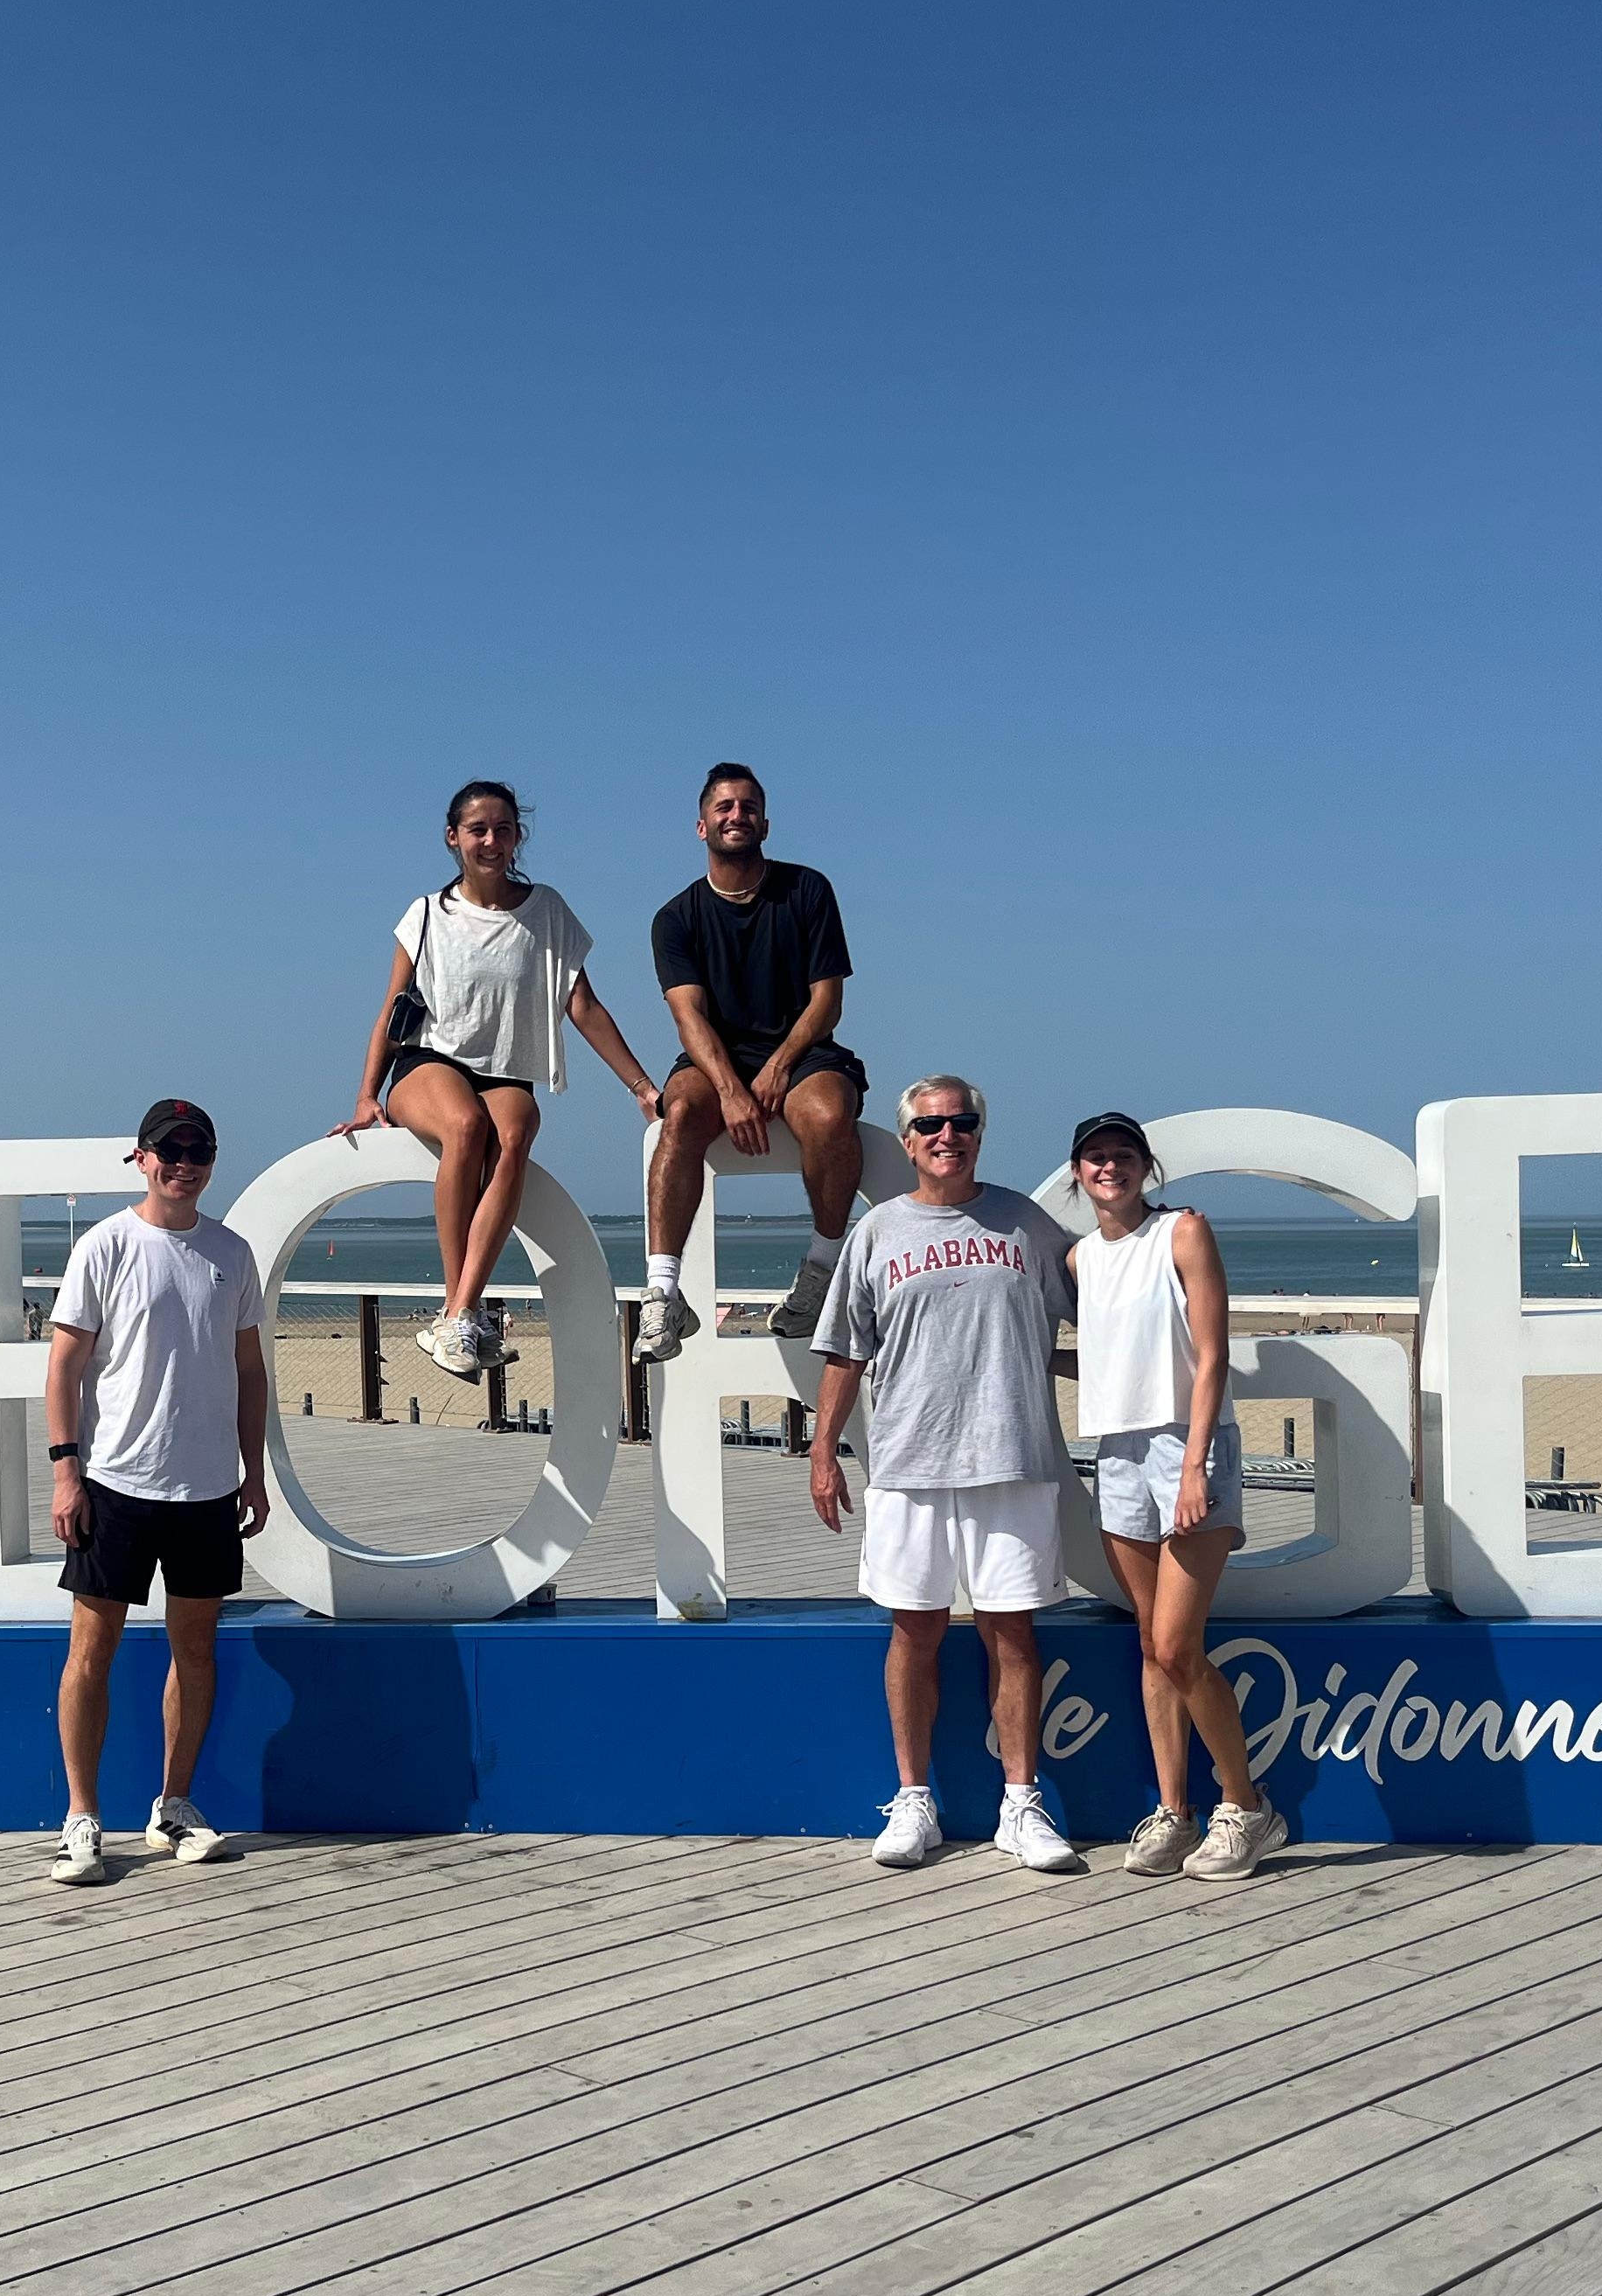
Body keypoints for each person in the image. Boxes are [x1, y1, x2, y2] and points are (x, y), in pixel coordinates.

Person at [807, 1074, 1084, 1874]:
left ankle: (1020, 1805)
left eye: (961, 1123)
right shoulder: (877, 1233)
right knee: (914, 1630)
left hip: (1013, 1458)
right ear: (907, 1141)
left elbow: (1105, 1302)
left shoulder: (1027, 1225)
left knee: (1013, 1633)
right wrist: (823, 1452)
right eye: (930, 1126)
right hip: (908, 1461)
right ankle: (913, 1800)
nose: (947, 1136)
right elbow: (845, 1353)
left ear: (980, 1133)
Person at [339, 782, 659, 1379]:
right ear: (453, 837)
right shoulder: (426, 914)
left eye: (503, 829)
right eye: (478, 829)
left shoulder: (547, 911)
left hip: (506, 1071)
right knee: (466, 1126)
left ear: (517, 837)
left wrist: (641, 1086)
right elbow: (391, 1011)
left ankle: (461, 1312)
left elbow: (583, 1006)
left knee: (516, 1132)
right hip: (428, 1062)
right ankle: (458, 1310)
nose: (491, 840)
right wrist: (365, 1096)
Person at [42, 1099, 272, 1886]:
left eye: (199, 1151)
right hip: (115, 1483)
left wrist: (254, 1471)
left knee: (196, 1652)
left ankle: (175, 1806)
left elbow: (249, 1371)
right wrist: (66, 1471)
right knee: (91, 1651)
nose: (185, 1164)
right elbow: (65, 1366)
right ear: (141, 1158)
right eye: (170, 1150)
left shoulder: (231, 1253)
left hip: (207, 1490)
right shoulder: (105, 1245)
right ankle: (81, 1819)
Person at [1068, 1110, 1290, 1882]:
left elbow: (1212, 1353)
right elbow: (1110, 1356)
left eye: (1122, 1154)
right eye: (1095, 1157)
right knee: (1149, 1643)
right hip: (1118, 1450)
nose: (1109, 1167)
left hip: (1189, 1445)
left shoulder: (1182, 1231)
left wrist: (1195, 1467)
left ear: (1146, 1166)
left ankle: (1247, 1807)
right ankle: (1174, 1810)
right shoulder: (1080, 1257)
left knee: (1176, 1646)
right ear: (1078, 1174)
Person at [636, 763, 867, 1362]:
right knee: (679, 1112)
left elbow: (828, 1000)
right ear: (701, 826)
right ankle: (663, 1293)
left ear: (765, 823)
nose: (737, 815)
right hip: (716, 1056)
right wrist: (731, 1089)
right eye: (725, 807)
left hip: (805, 1050)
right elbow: (689, 1016)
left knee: (829, 1115)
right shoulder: (675, 918)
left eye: (748, 807)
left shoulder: (807, 890)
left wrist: (780, 1065)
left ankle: (822, 1269)